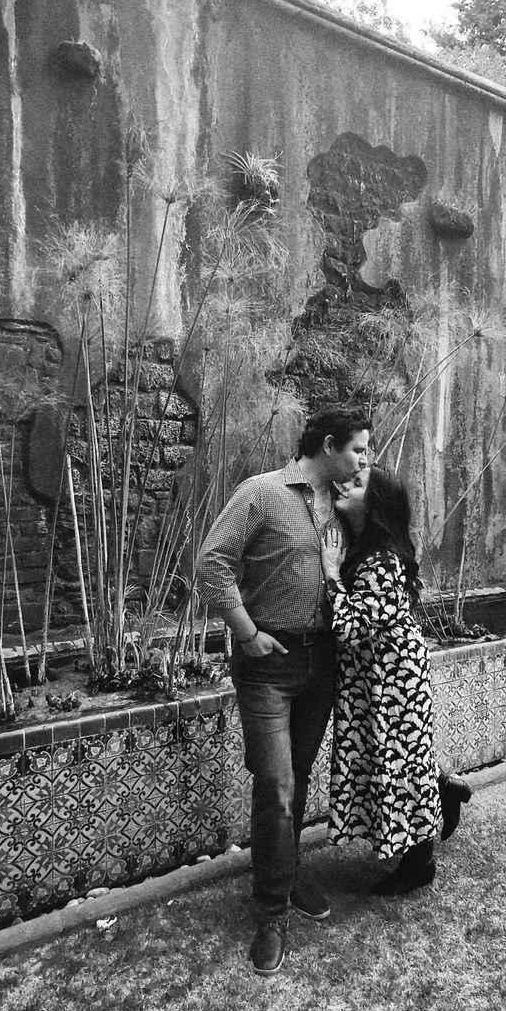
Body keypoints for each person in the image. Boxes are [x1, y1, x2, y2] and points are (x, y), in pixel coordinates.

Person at [195, 407, 372, 976]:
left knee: (294, 778)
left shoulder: (344, 504)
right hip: (268, 665)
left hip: (322, 662)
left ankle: (288, 874)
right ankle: (271, 912)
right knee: (276, 784)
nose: (365, 459)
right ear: (327, 444)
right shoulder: (261, 494)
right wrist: (246, 634)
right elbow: (211, 563)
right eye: (359, 449)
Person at [320, 466, 471, 894]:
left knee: (398, 763)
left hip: (393, 681)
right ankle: (442, 790)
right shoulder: (369, 549)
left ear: (376, 504)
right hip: (380, 677)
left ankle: (419, 862)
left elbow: (351, 626)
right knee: (398, 759)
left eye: (357, 483)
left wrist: (332, 574)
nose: (344, 485)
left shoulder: (382, 559)